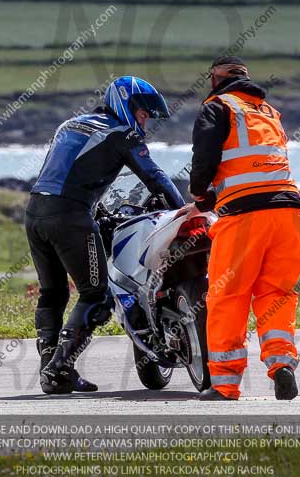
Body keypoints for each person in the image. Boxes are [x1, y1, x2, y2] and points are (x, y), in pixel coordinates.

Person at [27, 76, 185, 395]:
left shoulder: (70, 125)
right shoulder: (122, 134)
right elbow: (155, 177)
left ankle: (50, 364)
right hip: (70, 216)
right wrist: (181, 212)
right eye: (142, 113)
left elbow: (68, 170)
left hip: (34, 213)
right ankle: (59, 369)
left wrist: (96, 212)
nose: (144, 121)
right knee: (96, 296)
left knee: (53, 291)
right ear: (125, 104)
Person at [189, 56, 300, 401]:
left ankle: (225, 385)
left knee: (228, 295)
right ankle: (281, 364)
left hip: (244, 215)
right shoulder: (268, 112)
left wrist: (199, 193)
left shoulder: (217, 107)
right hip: (289, 213)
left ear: (214, 80)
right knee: (276, 294)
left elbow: (205, 157)